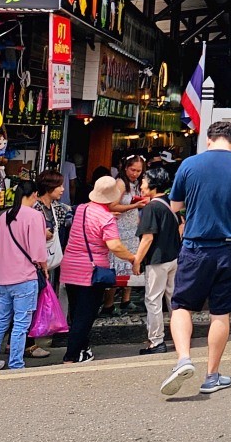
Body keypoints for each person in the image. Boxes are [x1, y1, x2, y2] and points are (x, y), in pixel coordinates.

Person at [159, 120, 231, 397]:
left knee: (181, 305)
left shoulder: (190, 165)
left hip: (195, 247)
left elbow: (174, 205)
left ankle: (183, 359)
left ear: (209, 140)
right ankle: (211, 376)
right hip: (230, 248)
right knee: (221, 312)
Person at [59, 175, 138, 363]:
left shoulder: (81, 209)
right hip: (91, 272)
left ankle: (83, 349)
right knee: (85, 316)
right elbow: (115, 246)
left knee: (76, 312)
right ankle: (71, 356)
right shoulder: (106, 218)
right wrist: (133, 258)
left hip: (70, 268)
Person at [0, 177, 48, 371]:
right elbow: (38, 251)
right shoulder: (35, 216)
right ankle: (16, 364)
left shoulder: (4, 216)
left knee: (0, 321)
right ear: (35, 195)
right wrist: (44, 266)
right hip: (24, 278)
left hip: (2, 277)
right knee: (21, 324)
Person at [134, 165, 183, 355]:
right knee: (174, 299)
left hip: (157, 260)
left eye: (144, 181)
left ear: (153, 184)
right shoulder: (170, 203)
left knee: (153, 300)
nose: (142, 184)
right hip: (174, 257)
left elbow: (147, 238)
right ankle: (181, 337)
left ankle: (156, 341)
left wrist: (137, 260)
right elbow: (182, 225)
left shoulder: (151, 207)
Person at [25, 171, 67, 359]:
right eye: (59, 186)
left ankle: (28, 340)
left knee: (38, 301)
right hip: (35, 264)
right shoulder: (35, 208)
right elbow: (28, 235)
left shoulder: (56, 207)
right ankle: (26, 345)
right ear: (49, 187)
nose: (63, 189)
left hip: (46, 261)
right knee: (30, 304)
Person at [103, 153, 147, 317]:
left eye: (138, 170)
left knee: (130, 263)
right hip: (119, 228)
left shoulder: (134, 183)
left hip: (131, 229)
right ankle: (108, 304)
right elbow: (112, 206)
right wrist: (135, 205)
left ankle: (125, 301)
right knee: (117, 266)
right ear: (125, 167)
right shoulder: (120, 183)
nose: (135, 173)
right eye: (132, 169)